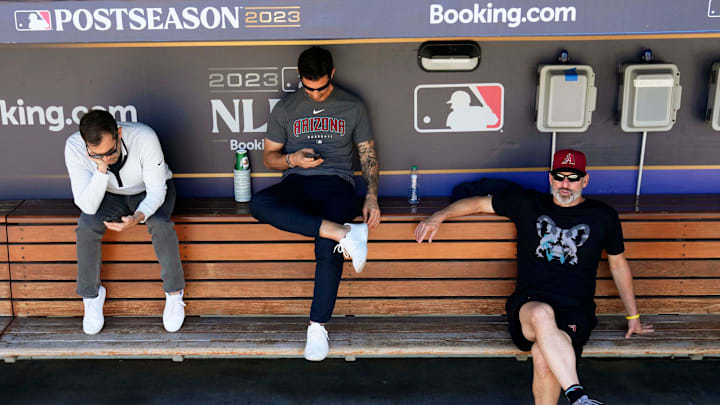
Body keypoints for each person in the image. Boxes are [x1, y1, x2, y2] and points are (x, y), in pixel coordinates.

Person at [415, 150, 653, 405]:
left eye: (573, 178)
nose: (565, 184)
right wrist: (439, 215)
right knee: (541, 315)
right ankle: (579, 396)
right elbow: (477, 203)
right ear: (550, 179)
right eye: (559, 177)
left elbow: (618, 265)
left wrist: (633, 317)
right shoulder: (528, 203)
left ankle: (577, 397)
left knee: (543, 355)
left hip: (575, 310)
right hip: (529, 305)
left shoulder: (602, 216)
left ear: (585, 181)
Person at [250, 46, 380, 362]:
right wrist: (292, 159)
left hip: (337, 185)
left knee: (326, 249)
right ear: (301, 79)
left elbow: (367, 155)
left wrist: (372, 195)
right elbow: (269, 158)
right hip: (297, 182)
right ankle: (342, 232)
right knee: (259, 204)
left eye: (321, 87)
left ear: (331, 75)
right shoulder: (286, 107)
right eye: (310, 88)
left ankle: (317, 327)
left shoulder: (352, 106)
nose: (316, 94)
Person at [64, 110, 186, 335]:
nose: (106, 157)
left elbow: (157, 191)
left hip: (147, 191)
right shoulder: (74, 147)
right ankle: (91, 296)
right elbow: (88, 206)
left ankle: (174, 294)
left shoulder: (144, 137)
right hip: (108, 195)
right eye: (97, 154)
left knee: (160, 224)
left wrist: (138, 217)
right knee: (87, 226)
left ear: (118, 133)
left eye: (110, 151)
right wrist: (101, 169)